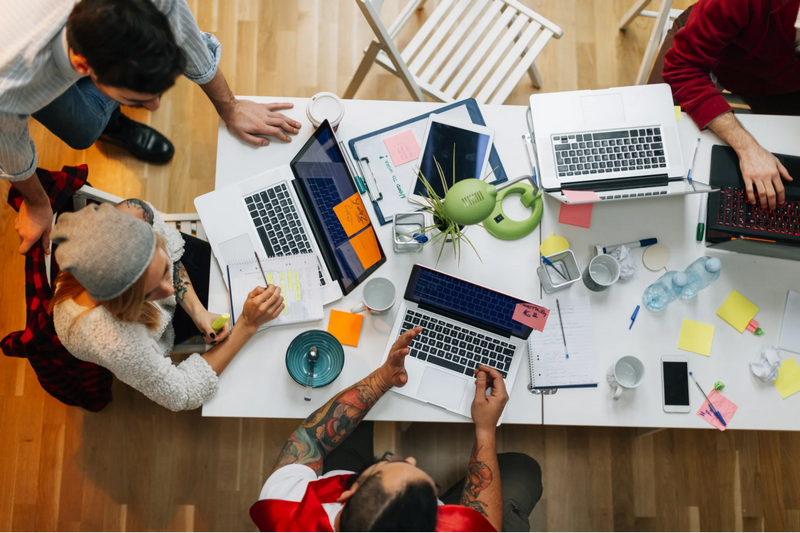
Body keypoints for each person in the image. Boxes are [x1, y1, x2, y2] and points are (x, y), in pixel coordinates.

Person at [2, 0, 303, 256]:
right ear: (84, 66)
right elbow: (8, 145)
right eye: (137, 100)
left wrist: (230, 106)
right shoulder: (12, 87)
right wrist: (37, 201)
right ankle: (106, 124)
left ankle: (112, 118)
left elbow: (184, 34)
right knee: (82, 130)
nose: (155, 108)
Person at [251, 327, 543, 532]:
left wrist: (381, 380)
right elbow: (483, 526)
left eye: (386, 465)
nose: (412, 460)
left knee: (355, 424)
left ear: (345, 497)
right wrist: (485, 429)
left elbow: (308, 440)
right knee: (524, 469)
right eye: (432, 488)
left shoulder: (285, 508)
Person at [49, 201, 285, 411]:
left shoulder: (132, 215)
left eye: (164, 270)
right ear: (123, 305)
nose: (170, 290)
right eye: (151, 292)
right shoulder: (119, 342)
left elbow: (171, 251)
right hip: (156, 330)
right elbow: (183, 394)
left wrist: (197, 311)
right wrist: (247, 325)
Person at [656, 0, 800, 209]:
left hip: (782, 82)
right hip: (714, 52)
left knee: (789, 180)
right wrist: (748, 147)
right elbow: (682, 67)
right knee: (658, 144)